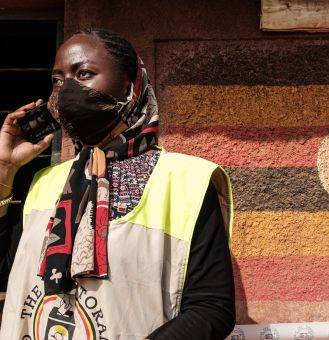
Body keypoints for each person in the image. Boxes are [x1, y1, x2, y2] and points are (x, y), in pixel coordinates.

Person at [0, 28, 235, 340]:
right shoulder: (47, 182)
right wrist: (3, 172)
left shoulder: (185, 181)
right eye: (58, 80)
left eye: (83, 73)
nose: (66, 89)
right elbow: (7, 273)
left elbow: (211, 308)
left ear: (130, 86)